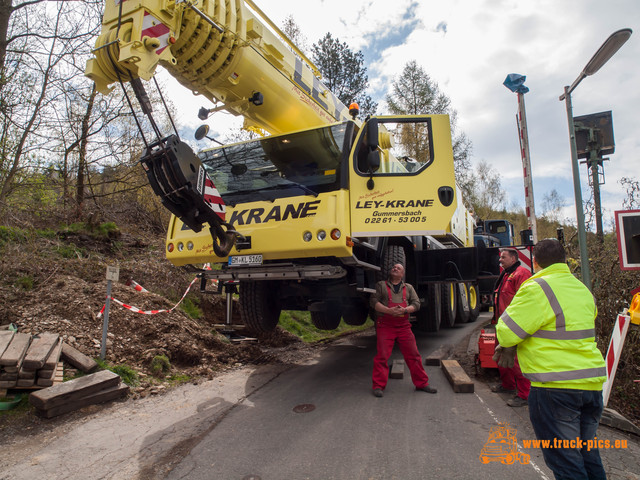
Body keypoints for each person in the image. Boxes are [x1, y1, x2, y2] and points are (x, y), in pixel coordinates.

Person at [495, 239, 607, 480]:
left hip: (556, 388)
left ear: (534, 262)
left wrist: (510, 344)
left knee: (566, 462)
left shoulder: (537, 288)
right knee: (588, 456)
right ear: (565, 260)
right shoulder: (582, 289)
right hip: (592, 385)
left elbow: (507, 331)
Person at [370, 263, 436, 397]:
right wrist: (388, 311)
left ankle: (422, 383)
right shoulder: (381, 285)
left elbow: (416, 304)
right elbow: (373, 301)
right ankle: (378, 386)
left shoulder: (409, 288)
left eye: (398, 268)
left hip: (404, 326)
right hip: (385, 325)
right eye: (393, 267)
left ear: (402, 274)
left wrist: (405, 310)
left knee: (413, 355)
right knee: (382, 356)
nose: (395, 268)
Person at [491, 248, 532, 407]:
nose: (500, 260)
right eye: (500, 257)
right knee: (501, 356)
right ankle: (508, 385)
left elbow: (526, 301)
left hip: (515, 325)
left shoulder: (521, 274)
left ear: (514, 258)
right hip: (502, 325)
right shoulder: (507, 274)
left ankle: (525, 395)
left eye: (503, 257)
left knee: (515, 360)